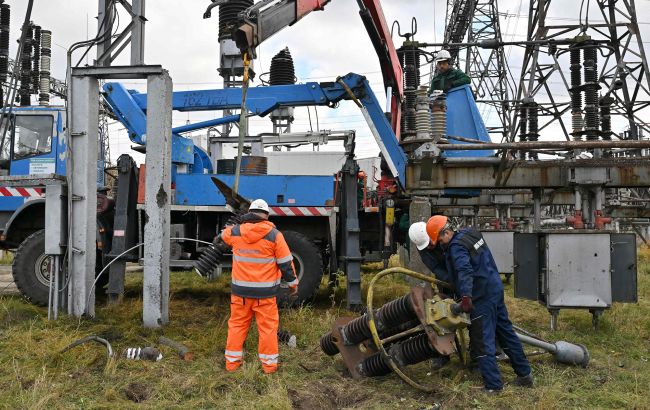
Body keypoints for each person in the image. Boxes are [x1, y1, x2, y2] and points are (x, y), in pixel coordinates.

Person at [426, 215, 533, 393]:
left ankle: (493, 386)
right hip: (495, 288)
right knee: (506, 333)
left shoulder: (456, 247)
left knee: (482, 341)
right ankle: (525, 375)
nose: (440, 244)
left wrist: (466, 297)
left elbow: (465, 270)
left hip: (480, 296)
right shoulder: (472, 233)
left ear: (446, 232)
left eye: (440, 239)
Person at [221, 198, 299, 374]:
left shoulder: (235, 232)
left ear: (249, 213)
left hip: (240, 294)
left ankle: (232, 364)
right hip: (265, 296)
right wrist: (293, 285)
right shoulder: (274, 235)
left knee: (237, 326)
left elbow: (223, 235)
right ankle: (269, 366)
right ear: (266, 216)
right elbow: (286, 264)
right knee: (267, 329)